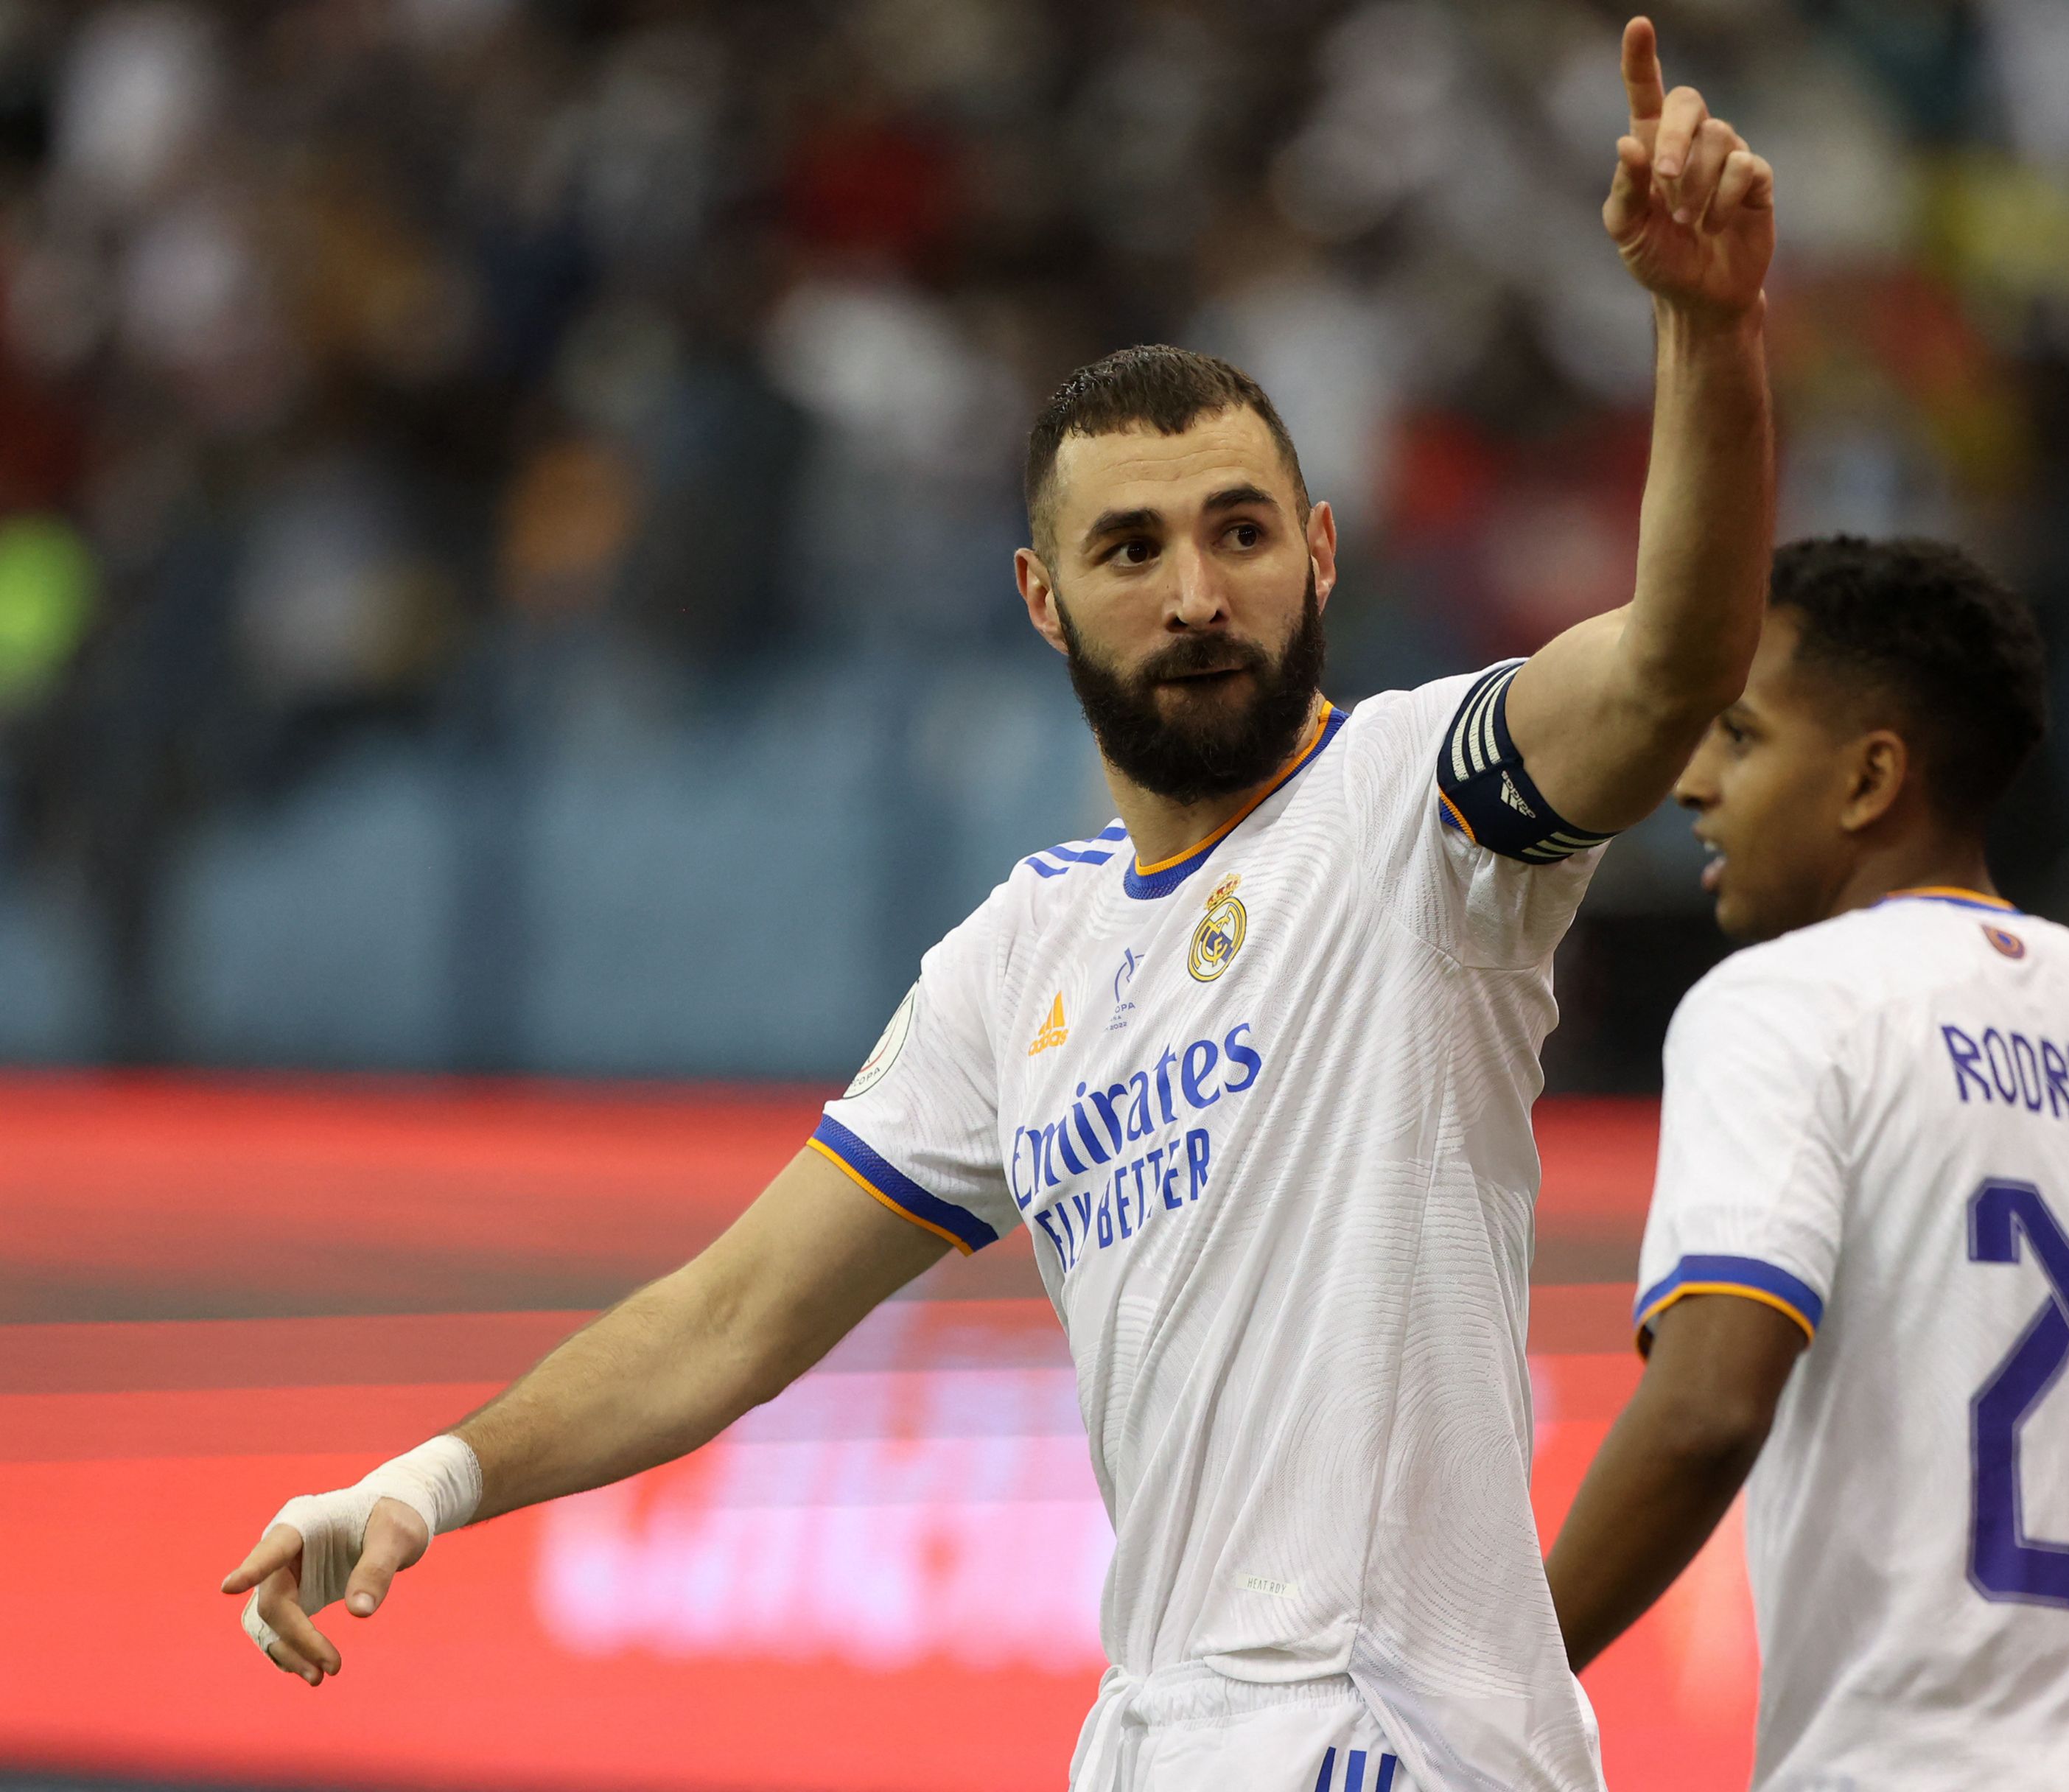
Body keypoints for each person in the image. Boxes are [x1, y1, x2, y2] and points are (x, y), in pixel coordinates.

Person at [219, 18, 1774, 1790]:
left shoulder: (1422, 802)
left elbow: (1672, 662)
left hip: (1388, 1728)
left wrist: (1706, 332)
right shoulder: (1017, 959)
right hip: (1156, 1730)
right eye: (1132, 549)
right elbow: (730, 1318)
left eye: (1241, 532)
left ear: (1322, 552)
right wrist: (428, 1479)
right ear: (1043, 599)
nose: (1196, 592)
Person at [1543, 537, 2069, 1790]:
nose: (1694, 783)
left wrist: (1488, 1683)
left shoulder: (1785, 1005)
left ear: (1870, 778)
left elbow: (1708, 1410)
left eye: (1741, 737)